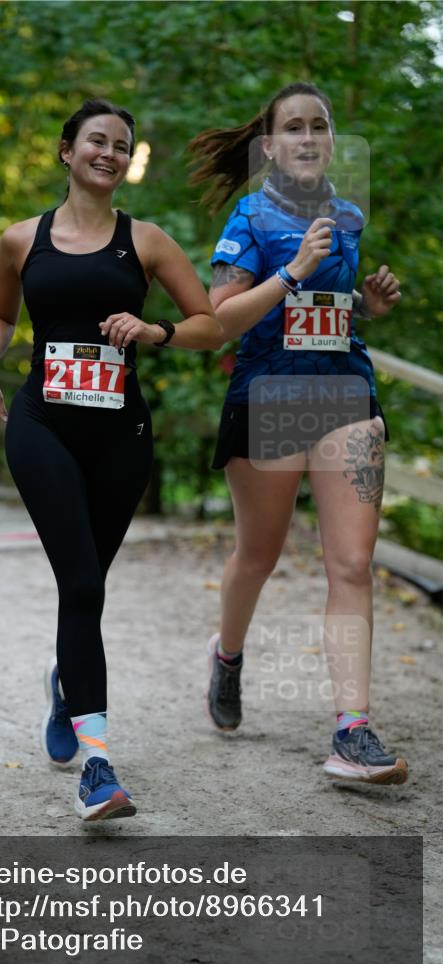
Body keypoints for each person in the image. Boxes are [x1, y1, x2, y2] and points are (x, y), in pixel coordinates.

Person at [0, 98, 221, 820]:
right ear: (65, 151)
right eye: (96, 141)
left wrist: (154, 329)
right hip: (42, 425)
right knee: (80, 584)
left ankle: (64, 685)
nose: (108, 153)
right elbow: (0, 313)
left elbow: (206, 324)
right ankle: (99, 767)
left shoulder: (146, 242)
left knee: (86, 587)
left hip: (119, 437)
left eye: (121, 145)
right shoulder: (21, 239)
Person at [189, 82, 407, 785]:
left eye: (319, 125)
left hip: (343, 391)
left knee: (349, 563)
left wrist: (363, 307)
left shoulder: (345, 215)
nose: (307, 137)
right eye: (293, 127)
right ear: (271, 146)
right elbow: (220, 318)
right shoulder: (250, 215)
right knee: (259, 553)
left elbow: (328, 312)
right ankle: (227, 657)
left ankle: (352, 730)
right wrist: (293, 269)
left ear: (331, 141)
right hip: (270, 394)